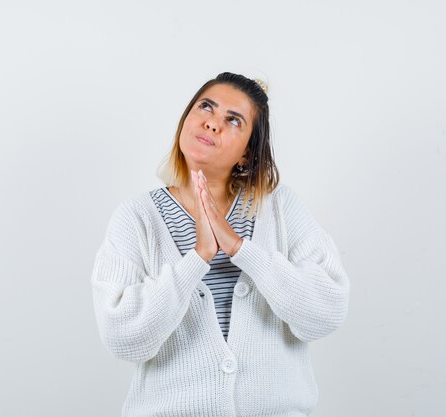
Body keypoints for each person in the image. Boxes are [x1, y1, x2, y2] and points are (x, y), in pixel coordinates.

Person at [91, 72, 350, 417]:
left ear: (247, 153)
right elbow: (122, 336)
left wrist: (242, 250)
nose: (213, 123)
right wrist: (198, 258)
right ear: (185, 120)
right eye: (206, 107)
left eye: (233, 120)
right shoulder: (137, 217)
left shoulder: (280, 208)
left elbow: (327, 311)